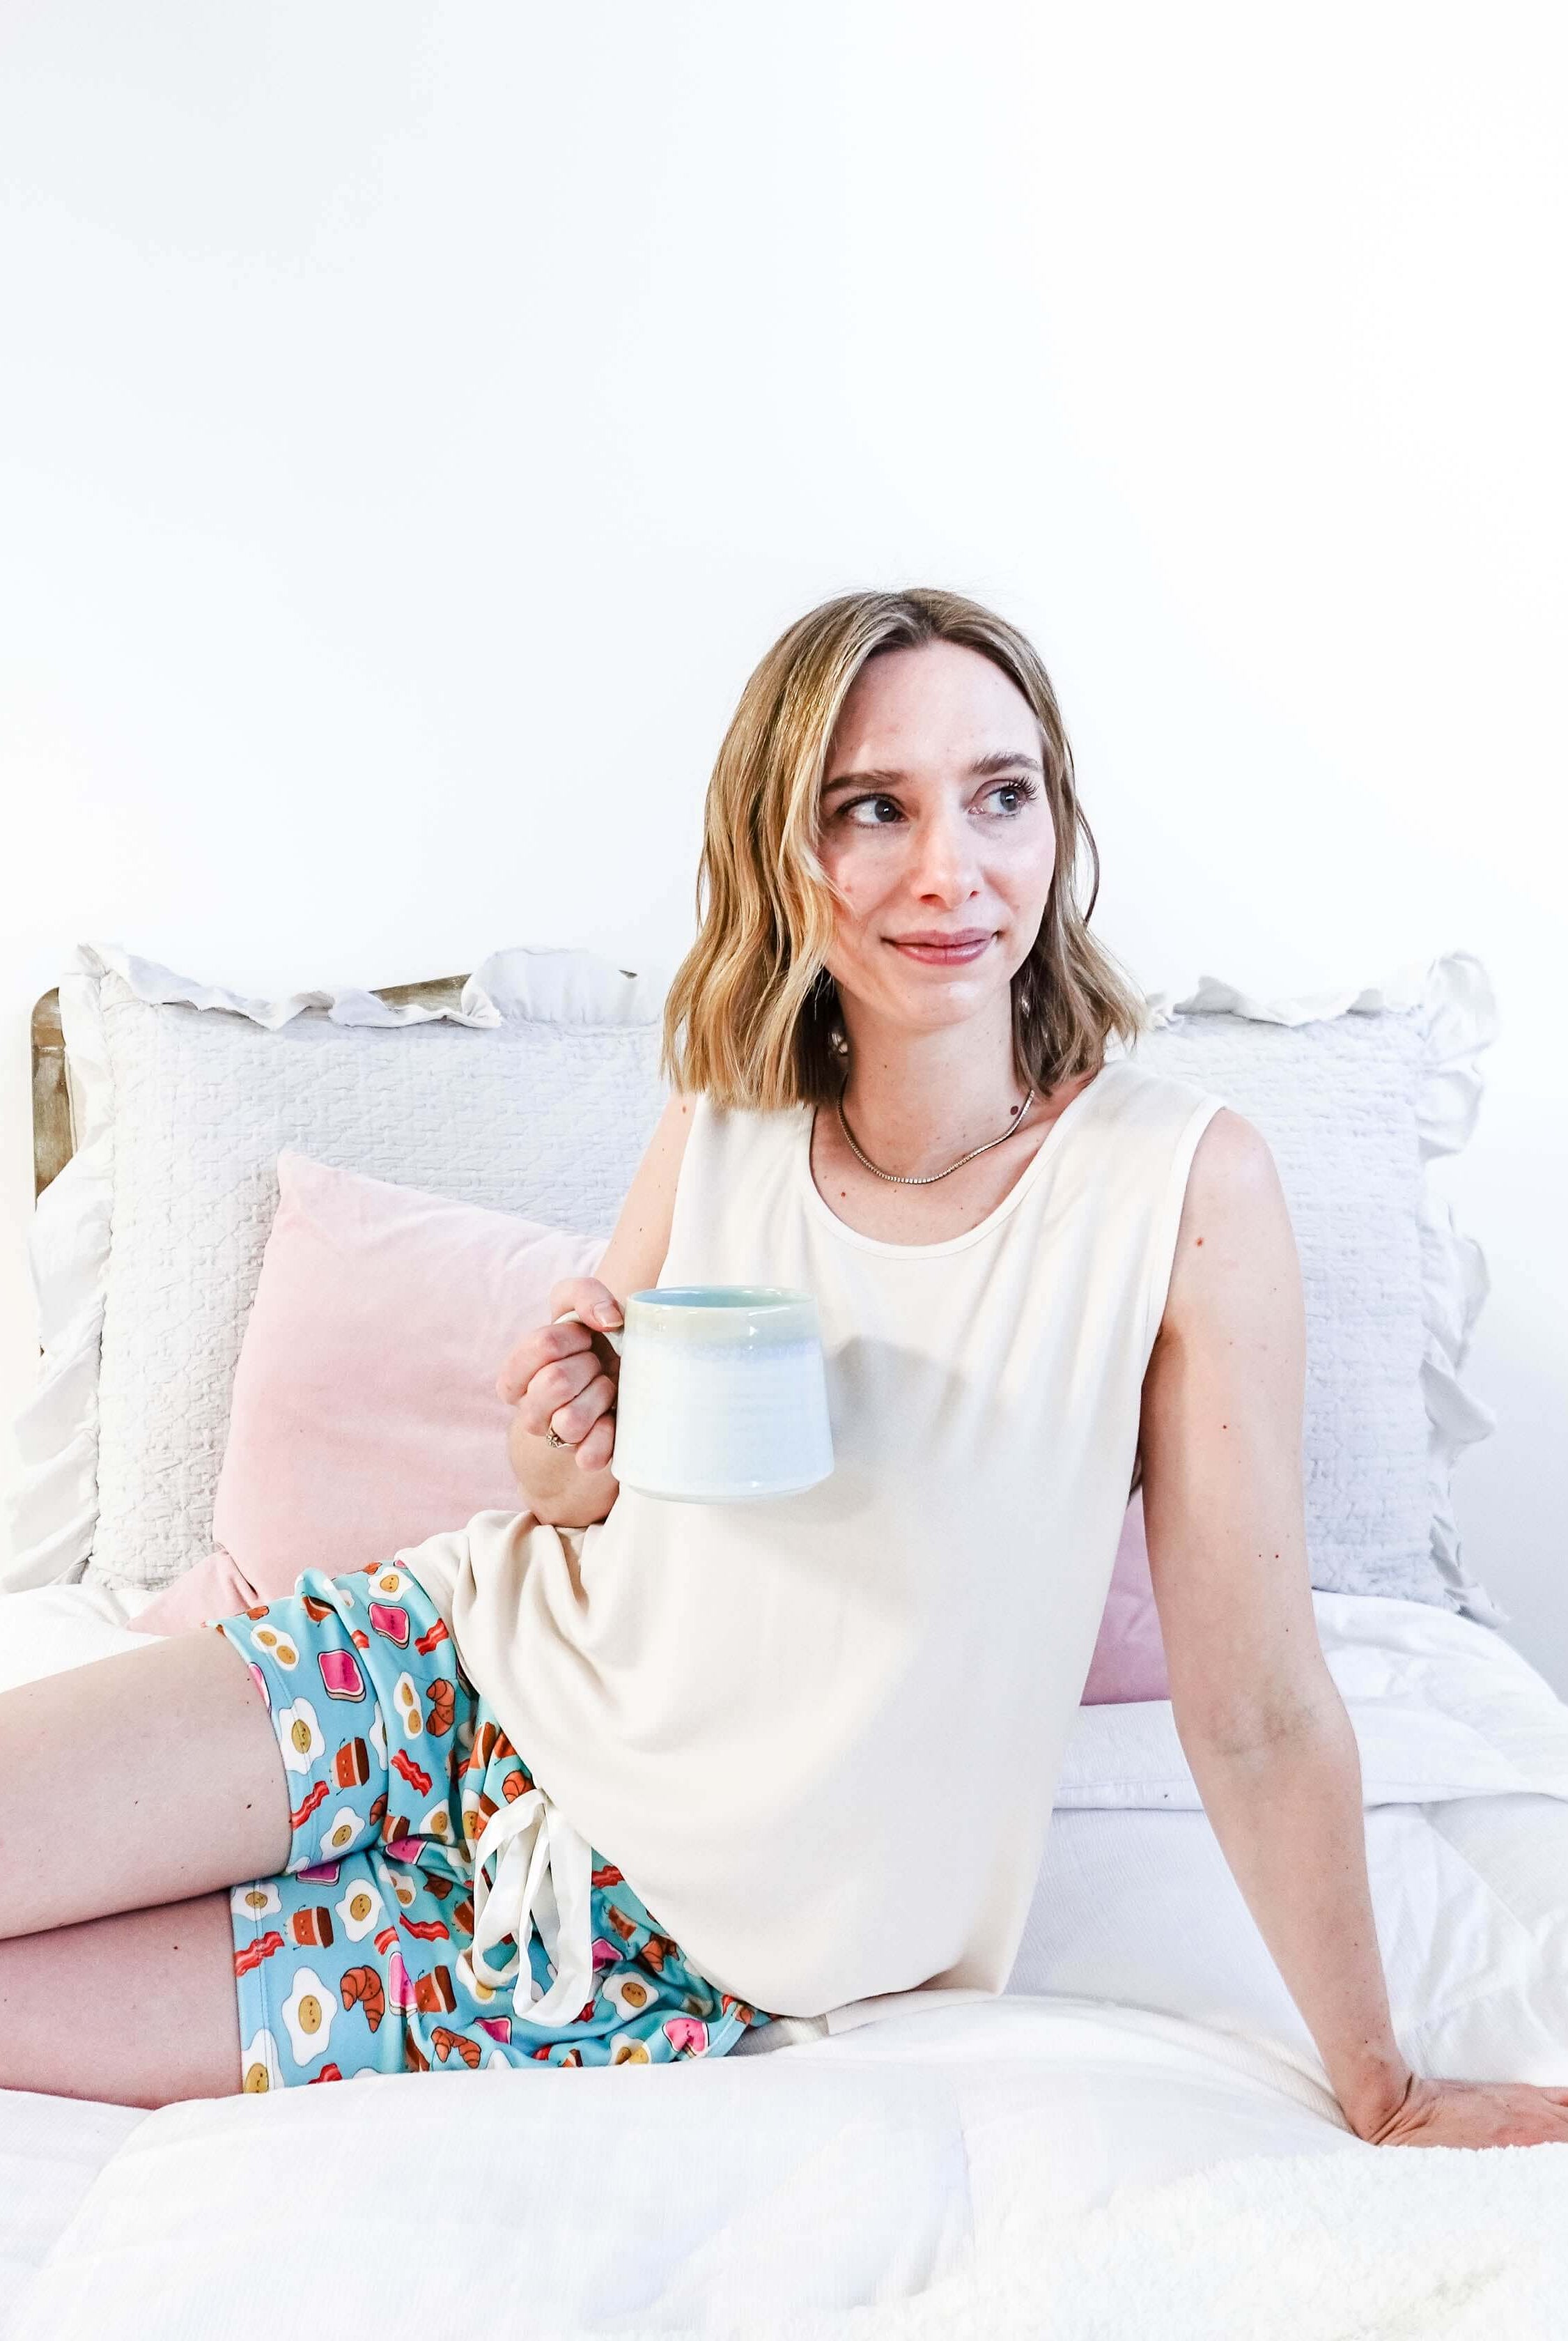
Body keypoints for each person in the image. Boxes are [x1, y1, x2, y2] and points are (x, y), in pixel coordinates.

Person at [3, 588, 1566, 2147]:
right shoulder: (728, 1105)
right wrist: (562, 1444)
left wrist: (1386, 2080)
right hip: (436, 1675)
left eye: (999, 798)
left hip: (625, 1950)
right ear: (782, 849)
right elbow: (574, 1488)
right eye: (870, 809)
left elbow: (1257, 1705)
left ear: (1054, 824)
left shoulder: (1179, 1191)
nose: (952, 871)